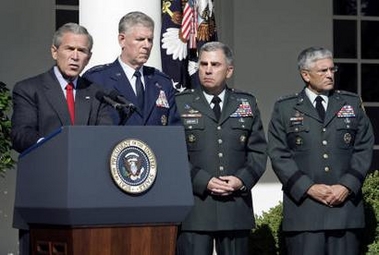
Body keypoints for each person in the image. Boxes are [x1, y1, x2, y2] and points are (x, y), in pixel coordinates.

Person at [11, 22, 113, 254]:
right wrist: (58, 148)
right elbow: (20, 134)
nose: (75, 56)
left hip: (87, 199)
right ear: (54, 51)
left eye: (82, 51)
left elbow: (103, 137)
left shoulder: (97, 93)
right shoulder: (29, 89)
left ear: (89, 57)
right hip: (44, 197)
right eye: (69, 49)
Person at [267, 47, 374, 255]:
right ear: (305, 75)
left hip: (344, 210)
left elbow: (364, 147)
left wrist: (347, 185)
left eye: (332, 69)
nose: (329, 75)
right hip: (304, 211)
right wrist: (308, 187)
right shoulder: (285, 108)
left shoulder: (351, 103)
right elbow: (279, 154)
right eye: (323, 70)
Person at [175, 41, 268, 255]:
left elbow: (258, 152)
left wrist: (241, 180)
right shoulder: (180, 103)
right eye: (203, 64)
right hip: (195, 207)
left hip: (235, 206)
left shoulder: (246, 103)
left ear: (229, 70)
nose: (208, 70)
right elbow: (174, 155)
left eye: (215, 64)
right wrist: (203, 180)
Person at [84, 11, 180, 126]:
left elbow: (174, 130)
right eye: (140, 39)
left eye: (150, 40)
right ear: (122, 40)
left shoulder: (162, 82)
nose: (147, 45)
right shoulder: (97, 79)